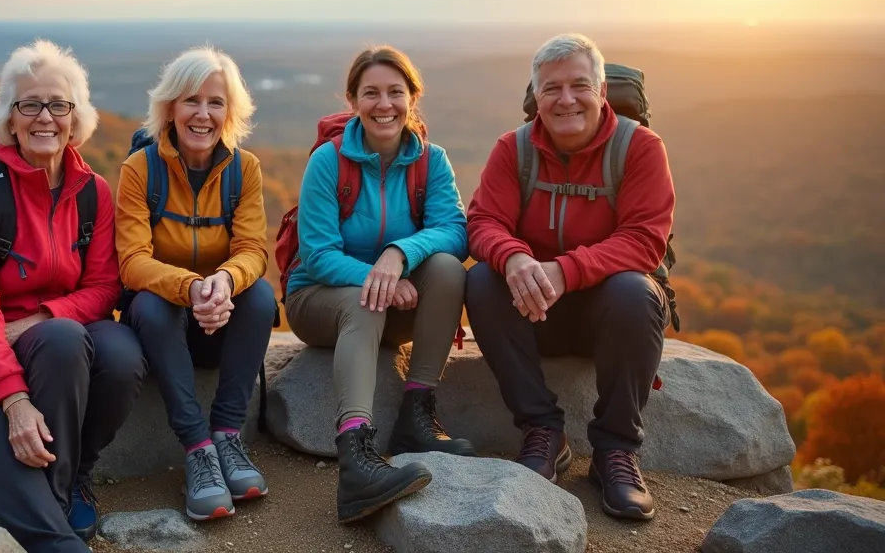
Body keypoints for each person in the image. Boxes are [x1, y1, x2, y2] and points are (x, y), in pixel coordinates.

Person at [464, 33, 675, 521]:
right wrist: (515, 258)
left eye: (579, 85)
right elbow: (482, 223)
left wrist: (566, 270)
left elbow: (645, 240)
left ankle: (616, 450)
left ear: (602, 92)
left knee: (634, 290)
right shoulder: (513, 149)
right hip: (533, 309)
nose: (565, 99)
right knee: (481, 280)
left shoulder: (639, 148)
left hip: (611, 314)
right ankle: (543, 431)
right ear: (536, 98)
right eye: (551, 89)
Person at [0, 39, 147, 552]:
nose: (45, 117)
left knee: (121, 356)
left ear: (76, 118)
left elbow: (105, 287)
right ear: (9, 119)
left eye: (59, 105)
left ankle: (75, 473)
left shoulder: (94, 192)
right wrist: (14, 400)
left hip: (58, 331)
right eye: (29, 104)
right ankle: (56, 531)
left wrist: (40, 318)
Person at [282, 45, 475, 524]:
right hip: (319, 300)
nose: (383, 104)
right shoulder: (329, 162)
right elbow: (319, 256)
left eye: (395, 91)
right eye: (371, 93)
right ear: (352, 101)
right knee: (365, 302)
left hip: (393, 298)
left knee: (449, 269)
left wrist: (399, 255)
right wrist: (378, 280)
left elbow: (455, 230)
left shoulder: (431, 161)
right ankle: (356, 460)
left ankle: (416, 417)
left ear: (413, 98)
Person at [115, 46, 275, 521]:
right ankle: (198, 448)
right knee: (147, 305)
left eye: (216, 102)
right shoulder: (140, 169)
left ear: (230, 112)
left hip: (218, 324)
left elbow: (253, 250)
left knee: (261, 297)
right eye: (191, 100)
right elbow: (132, 261)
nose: (203, 114)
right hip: (163, 330)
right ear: (169, 107)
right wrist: (191, 288)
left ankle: (227, 435)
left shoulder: (244, 168)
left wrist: (224, 280)